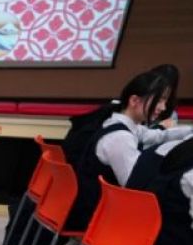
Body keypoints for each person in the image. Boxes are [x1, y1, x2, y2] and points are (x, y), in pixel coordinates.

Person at [67, 69, 190, 230]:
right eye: (159, 101)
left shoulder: (122, 124)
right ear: (134, 100)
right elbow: (134, 186)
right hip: (96, 216)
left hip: (97, 208)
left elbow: (158, 136)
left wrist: (189, 132)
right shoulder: (120, 138)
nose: (163, 107)